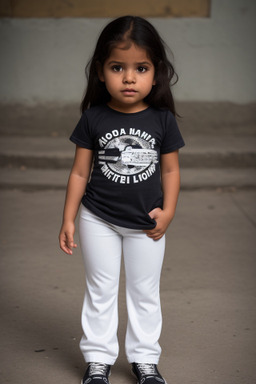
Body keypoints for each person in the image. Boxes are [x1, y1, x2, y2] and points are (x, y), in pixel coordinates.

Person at [59, 15, 185, 384]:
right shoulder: (94, 117)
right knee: (100, 289)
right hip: (97, 218)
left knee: (145, 291)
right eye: (118, 67)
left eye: (140, 68)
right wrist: (68, 218)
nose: (129, 78)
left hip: (147, 223)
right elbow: (80, 173)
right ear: (100, 72)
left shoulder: (162, 120)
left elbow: (172, 172)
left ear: (156, 73)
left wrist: (170, 212)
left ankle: (145, 360)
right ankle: (98, 360)